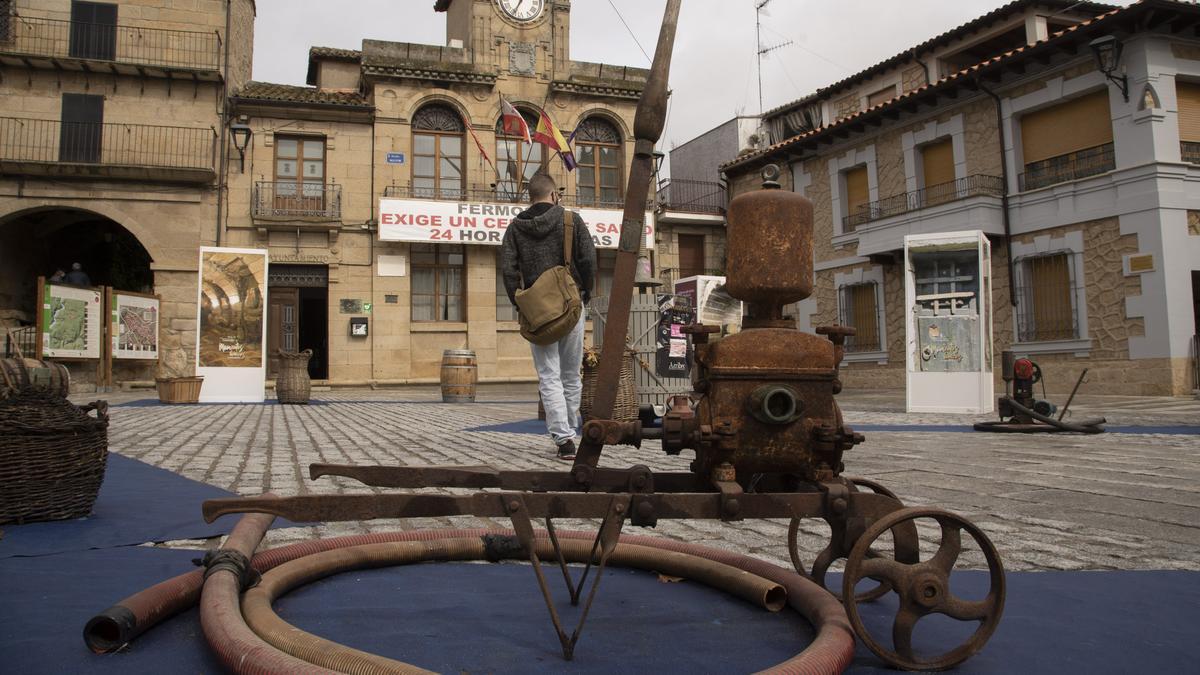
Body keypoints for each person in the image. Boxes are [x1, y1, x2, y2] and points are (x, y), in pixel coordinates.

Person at [501, 173, 597, 460]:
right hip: (571, 306)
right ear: (554, 195)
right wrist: (585, 292)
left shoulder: (515, 228)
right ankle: (569, 432)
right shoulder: (571, 221)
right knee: (570, 375)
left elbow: (508, 271)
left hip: (538, 314)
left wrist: (521, 306)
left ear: (530, 197)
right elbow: (589, 260)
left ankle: (563, 439)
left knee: (548, 376)